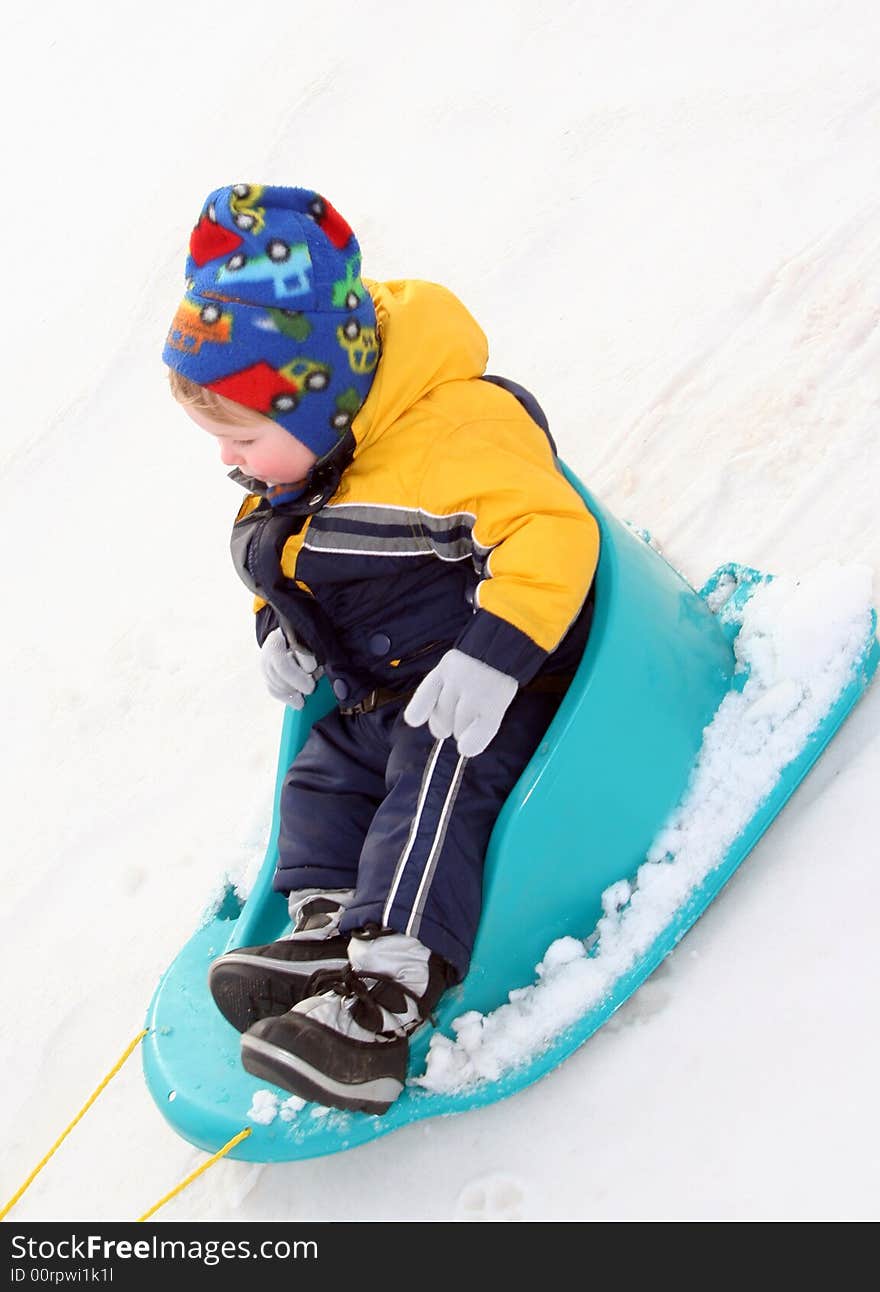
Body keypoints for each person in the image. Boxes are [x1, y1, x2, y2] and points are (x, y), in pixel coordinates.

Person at [162, 183, 600, 1115]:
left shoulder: (451, 439)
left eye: (241, 438)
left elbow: (557, 534)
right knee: (325, 770)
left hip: (501, 687)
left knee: (434, 780)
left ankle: (384, 998)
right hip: (387, 688)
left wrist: (494, 656)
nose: (230, 463)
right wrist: (278, 626)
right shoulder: (319, 453)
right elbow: (288, 553)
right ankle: (327, 925)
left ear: (313, 407)